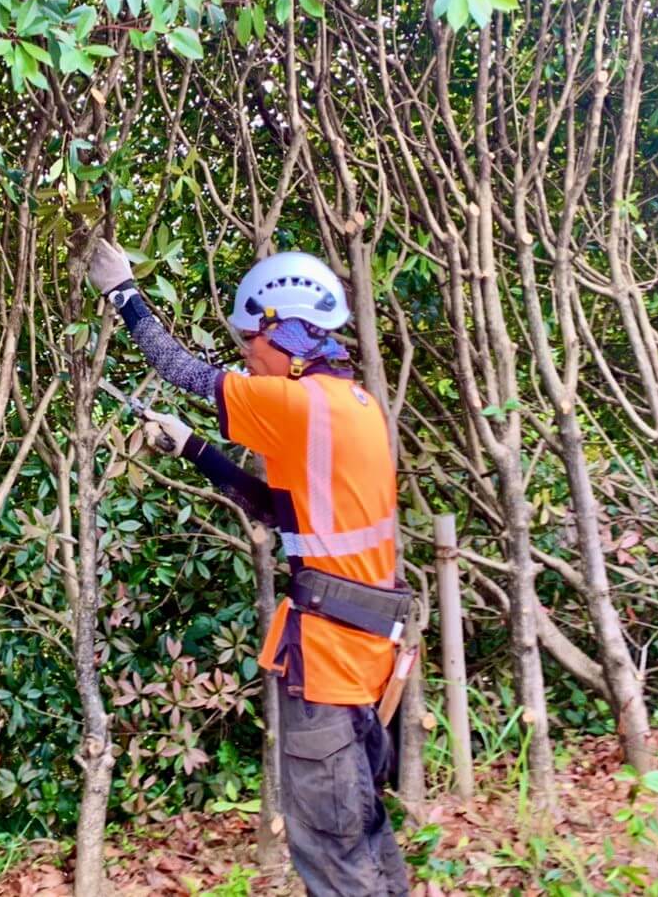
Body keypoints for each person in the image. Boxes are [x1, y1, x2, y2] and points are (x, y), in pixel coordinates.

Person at [86, 238, 409, 897]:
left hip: (329, 662)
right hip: (363, 657)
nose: (243, 354)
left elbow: (180, 368)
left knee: (333, 850)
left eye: (248, 341)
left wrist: (123, 293)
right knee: (364, 835)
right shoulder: (351, 408)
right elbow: (277, 511)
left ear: (287, 334)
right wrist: (195, 447)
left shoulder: (298, 405)